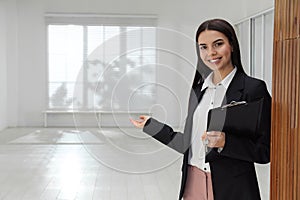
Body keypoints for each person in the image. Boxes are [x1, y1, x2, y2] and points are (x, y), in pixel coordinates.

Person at [130, 18, 271, 200]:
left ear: (232, 45)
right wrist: (150, 125)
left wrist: (226, 143)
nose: (211, 52)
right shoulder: (198, 91)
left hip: (232, 189)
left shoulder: (253, 89)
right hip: (193, 184)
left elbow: (265, 151)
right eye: (203, 47)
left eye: (218, 44)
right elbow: (187, 144)